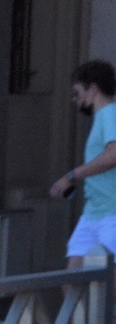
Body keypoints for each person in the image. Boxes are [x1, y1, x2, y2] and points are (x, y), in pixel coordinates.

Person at [48, 59, 116, 269]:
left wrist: (72, 176)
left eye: (77, 93)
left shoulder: (110, 113)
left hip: (111, 212)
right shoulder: (104, 117)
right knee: (72, 280)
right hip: (94, 211)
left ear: (93, 89)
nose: (75, 100)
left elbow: (113, 154)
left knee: (105, 284)